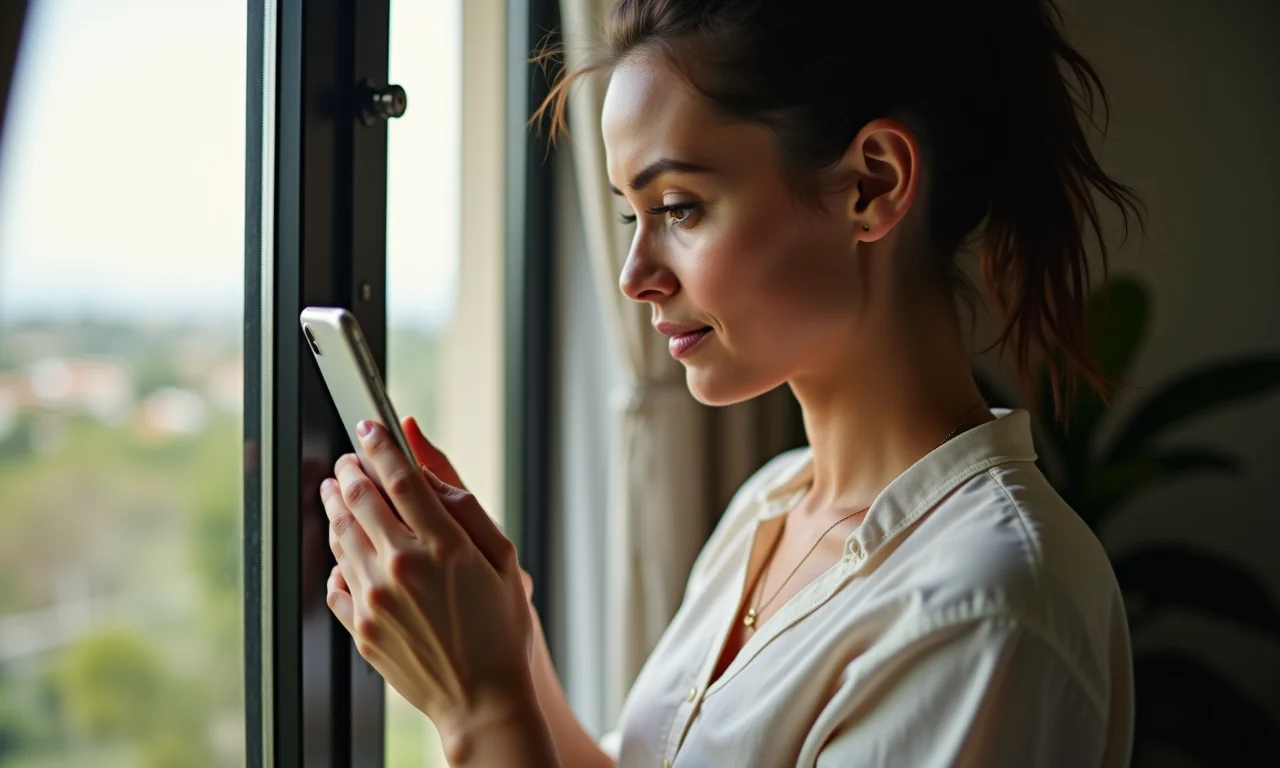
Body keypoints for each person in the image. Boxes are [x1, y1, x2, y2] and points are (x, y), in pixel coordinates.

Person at [318, 0, 1142, 764]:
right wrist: (511, 648)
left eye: (678, 207)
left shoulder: (988, 604)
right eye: (626, 215)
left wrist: (480, 712)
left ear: (873, 185)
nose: (635, 275)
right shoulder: (772, 506)